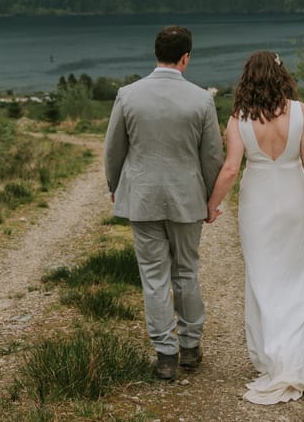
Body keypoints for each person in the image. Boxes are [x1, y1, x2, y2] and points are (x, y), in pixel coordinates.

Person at [206, 50, 304, 404]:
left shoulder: (239, 118)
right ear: (282, 76)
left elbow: (231, 169)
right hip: (294, 199)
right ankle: (290, 356)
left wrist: (212, 205)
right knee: (296, 277)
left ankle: (269, 357)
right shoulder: (301, 113)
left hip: (258, 201)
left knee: (262, 277)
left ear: (248, 78)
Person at [104, 25, 224, 381]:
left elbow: (113, 150)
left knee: (153, 277)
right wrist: (210, 197)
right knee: (186, 270)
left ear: (156, 54)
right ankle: (190, 347)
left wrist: (116, 186)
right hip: (187, 198)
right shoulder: (201, 100)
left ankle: (165, 356)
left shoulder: (128, 95)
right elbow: (212, 156)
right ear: (186, 58)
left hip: (142, 198)